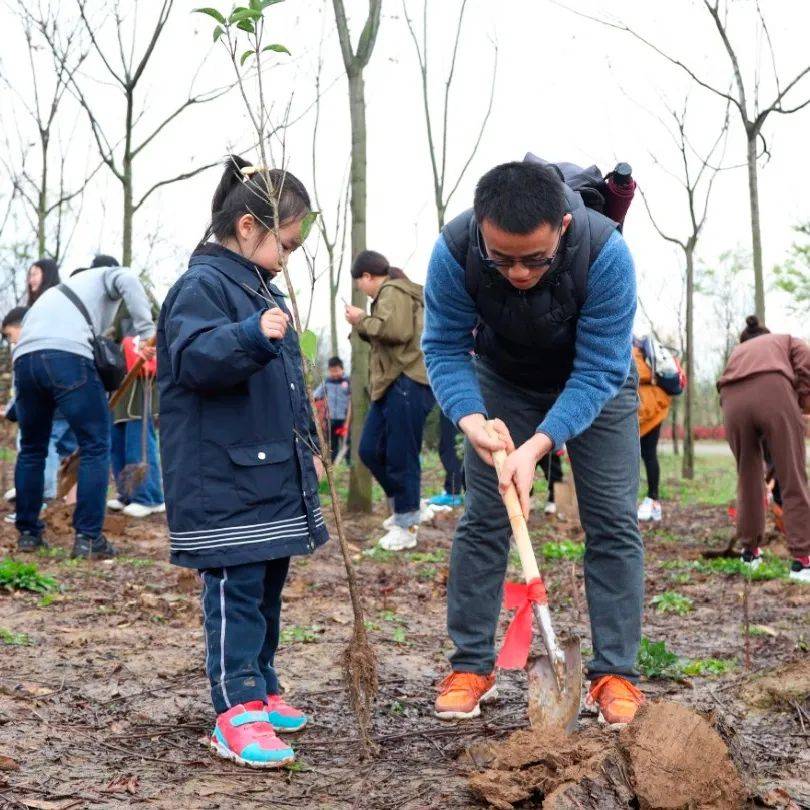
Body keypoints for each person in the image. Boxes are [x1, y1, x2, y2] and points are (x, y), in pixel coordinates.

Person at [423, 160, 644, 725]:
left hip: (599, 378)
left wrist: (538, 444)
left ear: (564, 227)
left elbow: (598, 368)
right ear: (482, 235)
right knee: (485, 516)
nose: (519, 272)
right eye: (504, 259)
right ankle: (471, 664)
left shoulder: (607, 254)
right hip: (506, 377)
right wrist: (473, 421)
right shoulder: (454, 249)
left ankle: (615, 672)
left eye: (535, 259)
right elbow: (445, 346)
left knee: (613, 518)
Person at [158, 156, 328, 769]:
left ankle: (261, 684)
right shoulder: (202, 288)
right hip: (223, 477)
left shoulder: (258, 287)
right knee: (236, 588)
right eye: (285, 242)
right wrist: (254, 334)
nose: (289, 255)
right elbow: (197, 360)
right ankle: (236, 710)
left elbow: (282, 388)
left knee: (266, 586)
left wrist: (308, 447)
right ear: (250, 226)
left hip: (268, 471)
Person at [11, 256, 154, 558]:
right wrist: (144, 330)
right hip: (66, 357)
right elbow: (128, 278)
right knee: (95, 445)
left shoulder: (57, 295)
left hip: (25, 362)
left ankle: (28, 535)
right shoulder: (105, 275)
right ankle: (89, 539)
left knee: (33, 449)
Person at [345, 250, 435, 551]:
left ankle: (406, 522)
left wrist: (361, 320)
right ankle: (407, 504)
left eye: (360, 283)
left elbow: (395, 331)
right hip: (391, 383)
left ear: (368, 277)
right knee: (370, 449)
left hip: (407, 380)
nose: (361, 289)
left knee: (401, 455)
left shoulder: (393, 291)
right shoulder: (390, 293)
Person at [718, 316, 810, 584]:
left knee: (748, 478)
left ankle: (750, 554)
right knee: (792, 475)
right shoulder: (785, 340)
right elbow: (805, 358)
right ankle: (802, 560)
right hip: (774, 391)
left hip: (731, 398)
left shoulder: (738, 352)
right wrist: (802, 398)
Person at [102, 254, 165, 519]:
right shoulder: (106, 307)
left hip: (140, 380)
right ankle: (126, 492)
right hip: (119, 381)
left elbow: (155, 330)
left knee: (137, 436)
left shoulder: (137, 296)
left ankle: (149, 496)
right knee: (117, 438)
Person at [633, 338, 672, 522]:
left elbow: (637, 374)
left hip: (650, 409)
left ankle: (653, 500)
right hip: (653, 407)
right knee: (647, 455)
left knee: (647, 455)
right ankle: (652, 502)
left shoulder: (634, 353)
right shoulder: (641, 351)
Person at [312, 356, 351, 462]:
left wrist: (348, 420)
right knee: (332, 443)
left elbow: (352, 399)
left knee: (347, 442)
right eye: (332, 371)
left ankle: (348, 463)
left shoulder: (348, 381)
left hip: (345, 419)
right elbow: (316, 394)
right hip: (331, 418)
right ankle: (333, 463)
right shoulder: (327, 382)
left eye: (337, 371)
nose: (334, 374)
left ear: (342, 369)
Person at [427, 413, 465, 509]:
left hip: (457, 406)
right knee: (447, 445)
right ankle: (453, 491)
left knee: (451, 447)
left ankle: (453, 493)